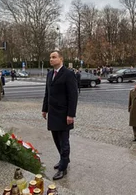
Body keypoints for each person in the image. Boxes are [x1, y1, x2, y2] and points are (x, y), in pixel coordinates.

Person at [42, 50, 78, 180]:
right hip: (53, 114)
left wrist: (71, 114)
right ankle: (64, 160)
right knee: (56, 140)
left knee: (64, 142)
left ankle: (63, 169)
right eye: (50, 57)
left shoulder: (68, 74)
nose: (51, 59)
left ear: (61, 59)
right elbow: (47, 93)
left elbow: (73, 96)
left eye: (54, 57)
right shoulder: (50, 74)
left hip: (64, 115)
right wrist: (44, 109)